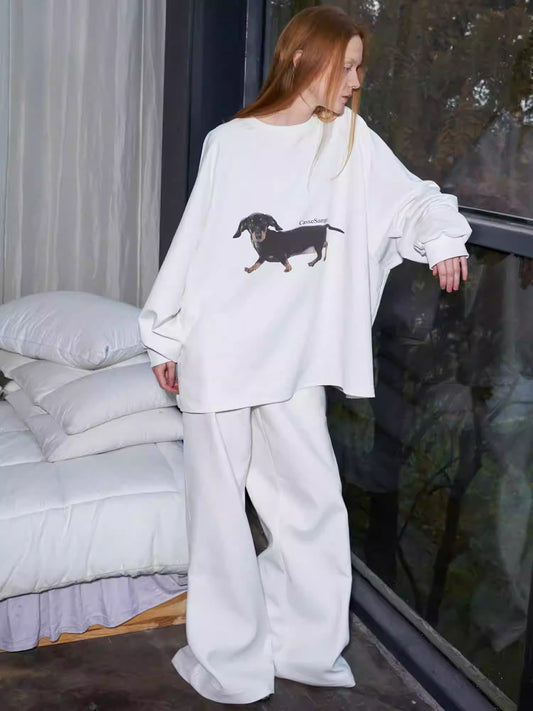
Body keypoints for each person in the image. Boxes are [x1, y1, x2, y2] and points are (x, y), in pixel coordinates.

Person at [139, 6, 470, 705]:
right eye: (345, 66)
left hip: (292, 361)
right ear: (301, 60)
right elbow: (196, 243)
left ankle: (302, 649)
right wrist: (166, 334)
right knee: (219, 517)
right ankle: (230, 663)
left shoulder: (346, 140)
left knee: (311, 507)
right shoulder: (229, 143)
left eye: (358, 68)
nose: (355, 82)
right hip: (220, 352)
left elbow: (412, 200)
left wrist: (443, 239)